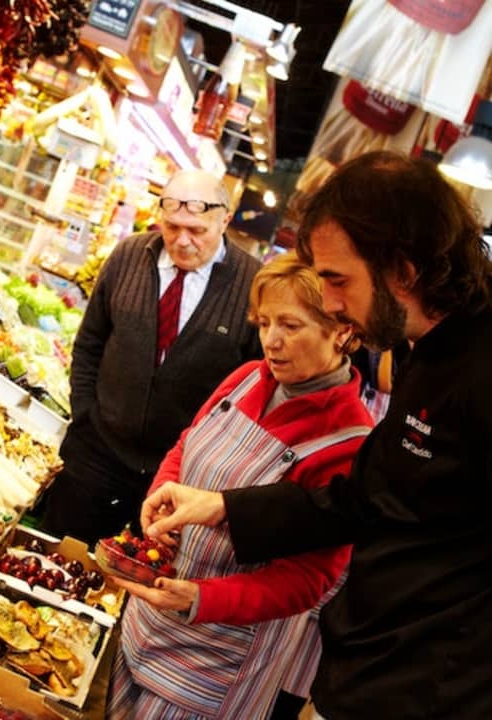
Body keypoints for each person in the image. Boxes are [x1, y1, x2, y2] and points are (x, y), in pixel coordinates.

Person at [141, 151, 492, 720]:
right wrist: (224, 507)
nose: (330, 303)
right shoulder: (416, 350)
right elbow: (363, 497)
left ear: (402, 270)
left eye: (337, 280)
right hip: (362, 669)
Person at [107, 251, 373, 720]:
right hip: (146, 619)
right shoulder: (246, 379)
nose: (271, 340)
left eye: (291, 326)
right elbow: (187, 444)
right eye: (264, 321)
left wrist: (201, 598)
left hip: (214, 662)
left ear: (343, 330)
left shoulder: (350, 442)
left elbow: (310, 580)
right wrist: (161, 491)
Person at [40, 170, 263, 546]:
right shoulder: (129, 255)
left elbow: (252, 388)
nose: (182, 240)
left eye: (197, 230)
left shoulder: (253, 284)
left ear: (224, 219)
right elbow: (90, 341)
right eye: (172, 227)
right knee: (55, 552)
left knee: (135, 581)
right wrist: (85, 415)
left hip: (178, 478)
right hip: (97, 453)